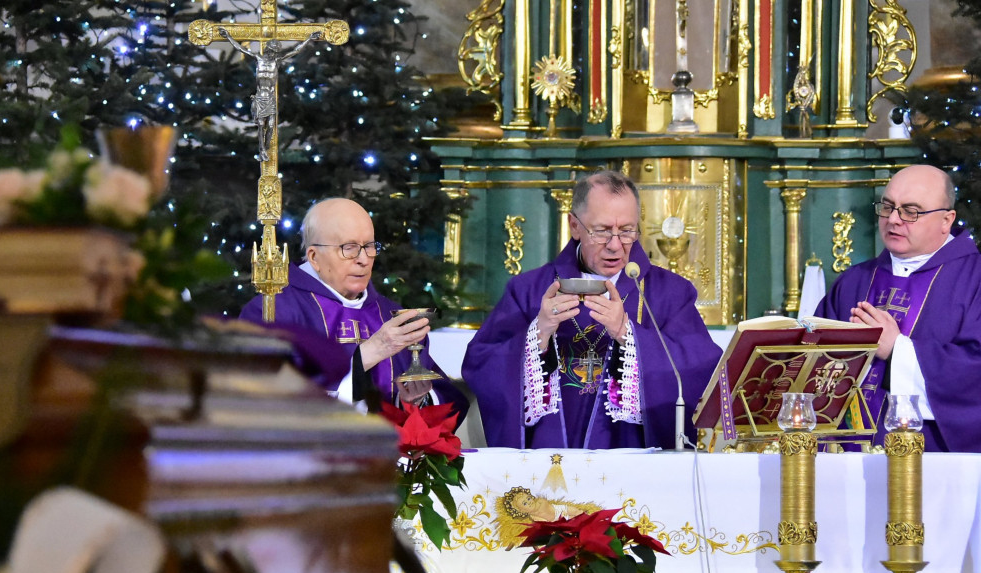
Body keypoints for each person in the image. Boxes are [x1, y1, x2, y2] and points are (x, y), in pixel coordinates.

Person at [462, 170, 720, 449]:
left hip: (636, 459)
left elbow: (702, 367)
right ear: (574, 225)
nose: (615, 246)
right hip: (549, 460)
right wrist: (538, 335)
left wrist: (629, 335)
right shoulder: (529, 290)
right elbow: (481, 364)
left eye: (627, 231)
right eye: (602, 231)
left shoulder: (670, 292)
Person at [240, 198, 467, 419]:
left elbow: (447, 401)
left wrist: (413, 402)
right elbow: (265, 406)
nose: (363, 260)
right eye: (349, 248)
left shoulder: (391, 316)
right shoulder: (273, 313)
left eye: (369, 247)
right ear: (314, 257)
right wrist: (365, 357)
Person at [816, 164, 981, 452]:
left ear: (946, 220)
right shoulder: (855, 281)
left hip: (932, 457)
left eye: (910, 211)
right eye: (888, 206)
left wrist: (898, 350)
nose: (893, 219)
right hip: (845, 456)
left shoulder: (974, 279)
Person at [218, 27, 318, 162]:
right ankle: (262, 150)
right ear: (267, 50)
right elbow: (241, 48)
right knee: (261, 124)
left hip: (270, 97)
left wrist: (309, 38)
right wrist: (228, 36)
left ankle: (266, 147)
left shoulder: (276, 61)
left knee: (270, 125)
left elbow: (296, 51)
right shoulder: (258, 58)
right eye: (272, 51)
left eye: (275, 52)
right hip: (260, 96)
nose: (273, 54)